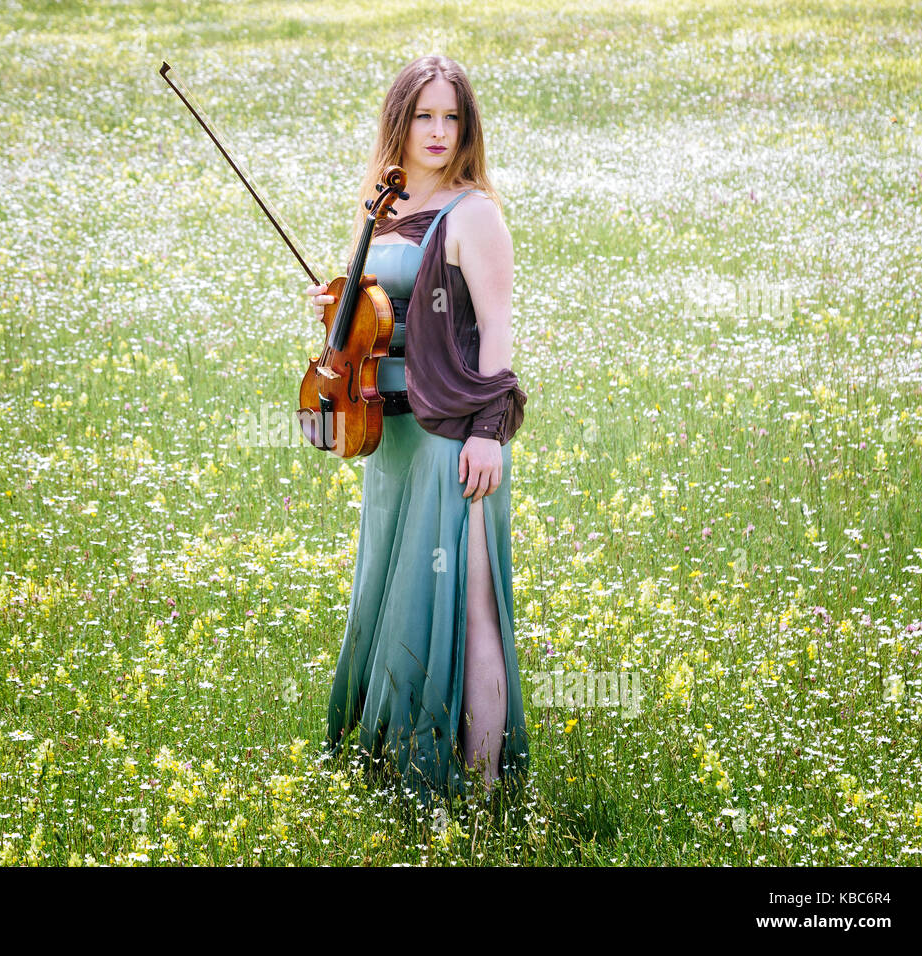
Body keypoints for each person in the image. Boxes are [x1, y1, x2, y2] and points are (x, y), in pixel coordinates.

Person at [309, 55, 530, 809]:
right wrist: (338, 312)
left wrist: (488, 433)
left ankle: (481, 791)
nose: (438, 132)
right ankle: (395, 767)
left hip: (449, 436)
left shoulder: (474, 213)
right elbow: (379, 316)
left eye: (452, 117)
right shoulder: (381, 206)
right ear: (399, 121)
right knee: (393, 595)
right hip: (388, 435)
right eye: (424, 116)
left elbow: (497, 328)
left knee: (468, 606)